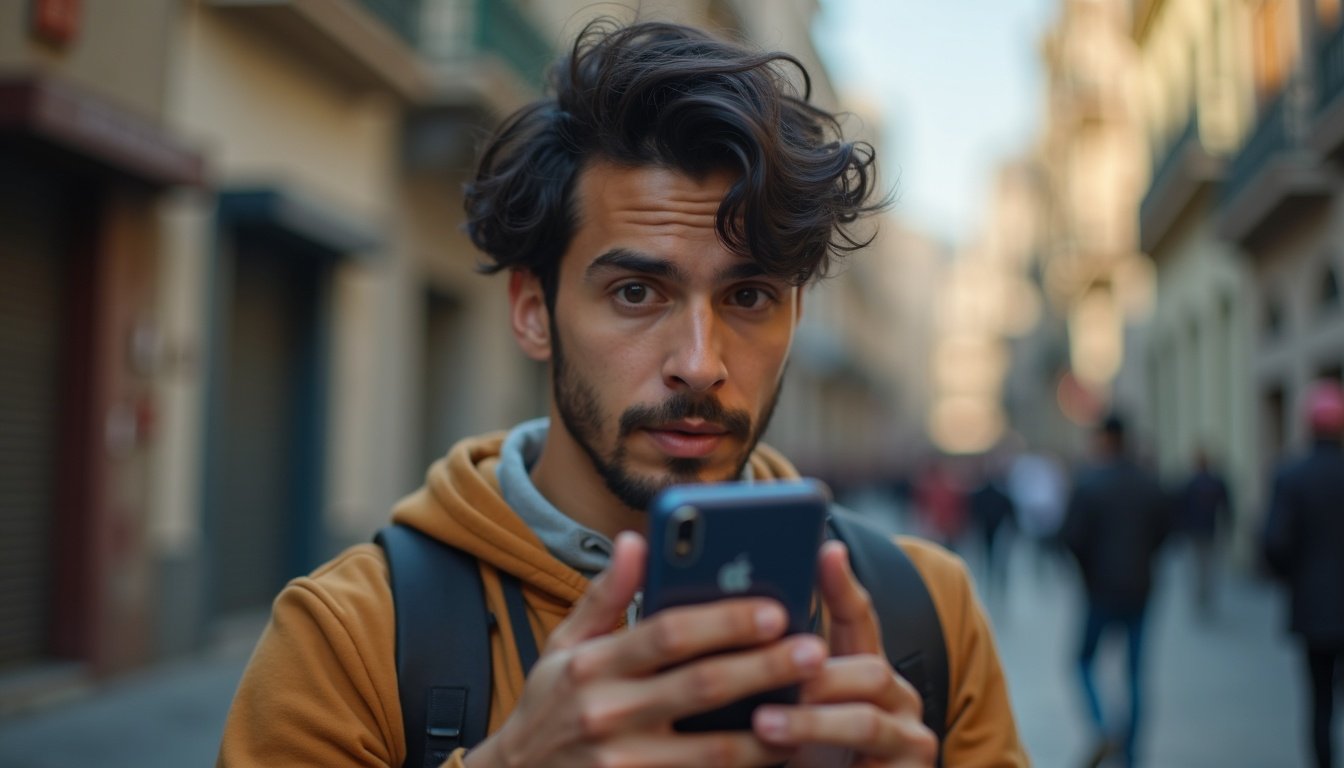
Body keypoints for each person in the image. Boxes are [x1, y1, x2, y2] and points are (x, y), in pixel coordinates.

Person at [217, 19, 1027, 768]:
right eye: (638, 293)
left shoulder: (926, 616)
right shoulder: (349, 639)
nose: (701, 364)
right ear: (534, 311)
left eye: (748, 297)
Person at [1061, 414, 1170, 768]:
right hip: (1140, 588)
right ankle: (1131, 754)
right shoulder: (1149, 483)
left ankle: (1103, 727)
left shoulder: (1090, 483)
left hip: (1101, 590)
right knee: (1136, 674)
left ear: (1104, 439)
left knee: (1082, 661)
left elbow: (1071, 537)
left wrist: (1088, 572)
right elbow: (1164, 533)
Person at [1261, 380, 1344, 768]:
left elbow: (1274, 544)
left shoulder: (1291, 476)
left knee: (1319, 700)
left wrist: (1293, 577)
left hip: (1313, 608)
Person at [1177, 448, 1232, 619]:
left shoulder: (1191, 483)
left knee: (1196, 566)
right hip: (1210, 530)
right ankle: (1206, 597)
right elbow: (1227, 506)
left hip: (1194, 531)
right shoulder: (1215, 481)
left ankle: (1200, 598)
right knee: (1209, 566)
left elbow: (1181, 508)